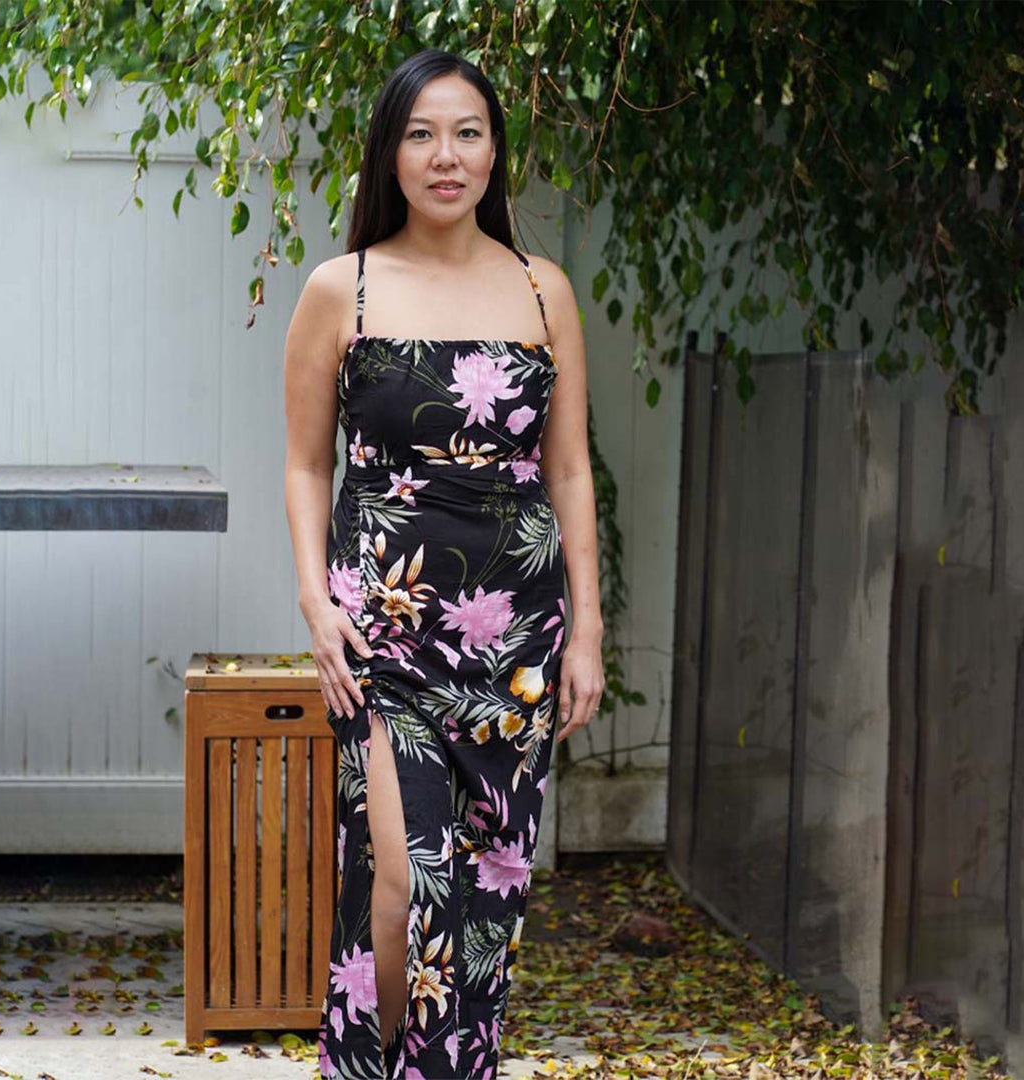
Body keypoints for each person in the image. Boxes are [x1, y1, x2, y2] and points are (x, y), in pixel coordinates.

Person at [282, 46, 604, 1080]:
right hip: (380, 630)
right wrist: (314, 600)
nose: (445, 155)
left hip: (518, 640)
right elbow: (305, 462)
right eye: (421, 134)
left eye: (467, 132)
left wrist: (588, 632)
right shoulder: (342, 290)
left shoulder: (543, 291)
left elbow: (569, 472)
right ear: (391, 152)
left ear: (496, 152)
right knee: (406, 881)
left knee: (486, 897)